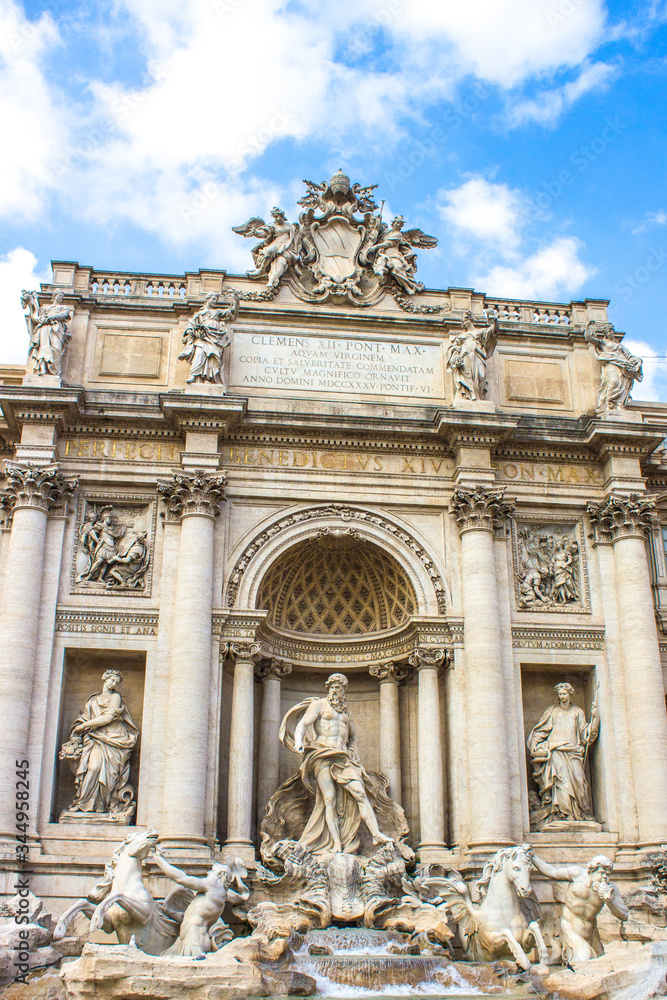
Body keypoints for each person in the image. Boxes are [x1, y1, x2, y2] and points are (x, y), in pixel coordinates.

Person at [285, 673, 394, 855]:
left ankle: (376, 834)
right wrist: (299, 741)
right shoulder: (319, 705)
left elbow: (353, 736)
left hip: (343, 758)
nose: (336, 691)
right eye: (334, 687)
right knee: (329, 800)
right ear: (328, 688)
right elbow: (302, 725)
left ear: (344, 690)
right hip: (322, 754)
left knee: (360, 792)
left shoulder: (346, 712)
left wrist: (353, 750)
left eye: (340, 688)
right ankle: (336, 844)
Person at [64, 670, 139, 816]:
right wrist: (79, 727)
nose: (114, 684)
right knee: (93, 767)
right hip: (95, 738)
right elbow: (84, 717)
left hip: (112, 738)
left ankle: (102, 804)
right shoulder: (93, 700)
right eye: (112, 680)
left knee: (109, 773)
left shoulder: (116, 697)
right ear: (104, 678)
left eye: (117, 682)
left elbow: (107, 719)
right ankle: (83, 803)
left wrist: (83, 727)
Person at [531, 853, 628, 963]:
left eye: (608, 874)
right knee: (582, 961)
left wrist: (609, 901)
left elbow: (624, 915)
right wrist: (533, 857)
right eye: (601, 873)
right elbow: (552, 872)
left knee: (599, 964)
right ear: (591, 871)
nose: (605, 877)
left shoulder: (611, 890)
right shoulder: (576, 874)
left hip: (591, 933)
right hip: (569, 928)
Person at [152, 848, 249, 957]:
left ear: (220, 875)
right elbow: (187, 917)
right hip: (188, 939)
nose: (208, 873)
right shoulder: (220, 894)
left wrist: (158, 859)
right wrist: (168, 911)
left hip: (194, 940)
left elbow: (181, 878)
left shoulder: (213, 885)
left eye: (212, 871)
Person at [527, 682, 599, 826]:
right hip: (557, 751)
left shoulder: (577, 712)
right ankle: (563, 814)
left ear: (569, 694)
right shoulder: (552, 711)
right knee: (562, 782)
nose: (562, 696)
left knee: (579, 782)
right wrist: (535, 744)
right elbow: (541, 731)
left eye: (564, 694)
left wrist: (595, 718)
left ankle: (579, 812)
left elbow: (585, 734)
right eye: (560, 694)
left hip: (574, 752)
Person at [179, 291, 239, 385]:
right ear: (208, 299)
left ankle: (208, 378)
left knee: (211, 357)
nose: (215, 301)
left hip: (215, 337)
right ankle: (194, 376)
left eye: (216, 299)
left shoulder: (217, 312)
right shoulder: (200, 314)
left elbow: (231, 313)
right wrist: (191, 331)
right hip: (203, 337)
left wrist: (236, 302)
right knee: (199, 354)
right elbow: (190, 325)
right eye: (213, 299)